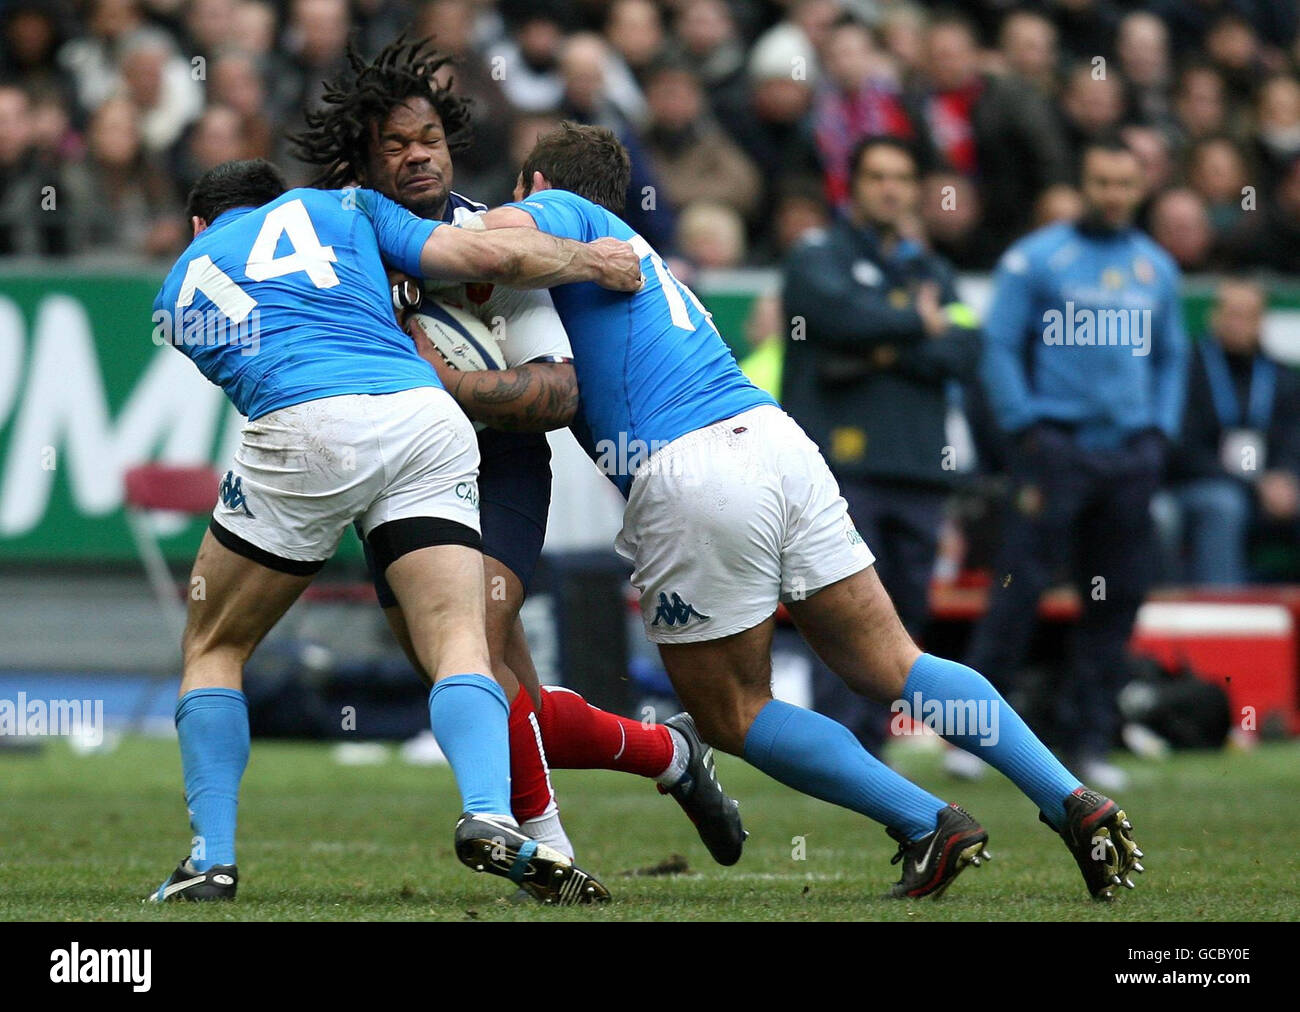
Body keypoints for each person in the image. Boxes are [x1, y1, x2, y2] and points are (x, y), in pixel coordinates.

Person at [441, 122, 1146, 901]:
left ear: (538, 184)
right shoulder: (636, 250)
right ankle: (1068, 797)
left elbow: (486, 243)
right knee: (896, 664)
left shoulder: (564, 214)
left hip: (691, 468)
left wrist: (412, 244)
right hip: (776, 443)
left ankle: (925, 820)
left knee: (731, 712)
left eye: (519, 192)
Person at [289, 38, 745, 872]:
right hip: (390, 473)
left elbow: (558, 392)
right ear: (361, 161)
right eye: (393, 145)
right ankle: (671, 756)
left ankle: (544, 848)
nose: (418, 154)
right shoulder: (334, 246)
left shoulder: (491, 241)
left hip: (495, 465)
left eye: (428, 136)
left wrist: (445, 387)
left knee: (477, 644)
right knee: (494, 689)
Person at [148, 156, 640, 904]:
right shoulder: (343, 208)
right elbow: (485, 253)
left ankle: (210, 860)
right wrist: (591, 260)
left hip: (305, 420)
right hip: (427, 416)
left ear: (197, 226)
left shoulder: (178, 284)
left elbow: (258, 363)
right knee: (460, 641)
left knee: (215, 644)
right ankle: (487, 811)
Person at [967, 137, 1188, 793]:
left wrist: (1160, 431)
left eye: (1124, 183)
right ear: (1083, 182)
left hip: (1129, 455)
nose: (1112, 195)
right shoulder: (1037, 257)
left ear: (1139, 188)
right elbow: (998, 346)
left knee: (1116, 597)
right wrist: (1026, 427)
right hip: (1056, 448)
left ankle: (1087, 739)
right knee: (1019, 589)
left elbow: (1173, 355)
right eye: (1101, 181)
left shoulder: (1157, 268)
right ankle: (973, 737)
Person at [781, 136, 980, 760]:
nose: (890, 188)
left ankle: (873, 747)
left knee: (906, 609)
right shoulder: (816, 253)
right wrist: (918, 325)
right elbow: (833, 314)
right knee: (842, 609)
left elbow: (967, 348)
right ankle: (838, 752)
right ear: (852, 184)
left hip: (919, 467)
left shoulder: (931, 268)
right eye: (877, 176)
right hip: (842, 470)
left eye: (902, 177)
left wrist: (877, 346)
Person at [1159, 278, 1300, 584]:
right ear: (1213, 316)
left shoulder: (1280, 375)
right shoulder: (1188, 370)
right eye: (1231, 313)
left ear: (1261, 322)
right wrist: (1252, 483)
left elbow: (1293, 437)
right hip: (1202, 483)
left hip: (1271, 486)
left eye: (1247, 315)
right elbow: (1182, 449)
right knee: (1223, 505)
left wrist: (1286, 476)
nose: (1238, 324)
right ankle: (1222, 613)